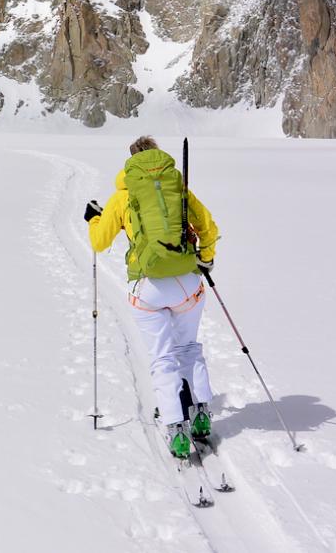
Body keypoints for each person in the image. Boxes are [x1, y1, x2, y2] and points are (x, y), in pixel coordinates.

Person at [84, 135, 219, 459]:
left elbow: (100, 242)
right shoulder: (177, 187)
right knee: (188, 347)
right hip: (187, 282)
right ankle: (200, 415)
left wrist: (95, 218)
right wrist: (206, 258)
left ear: (131, 162)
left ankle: (175, 428)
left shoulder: (124, 194)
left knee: (162, 358)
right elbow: (209, 228)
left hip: (148, 287)